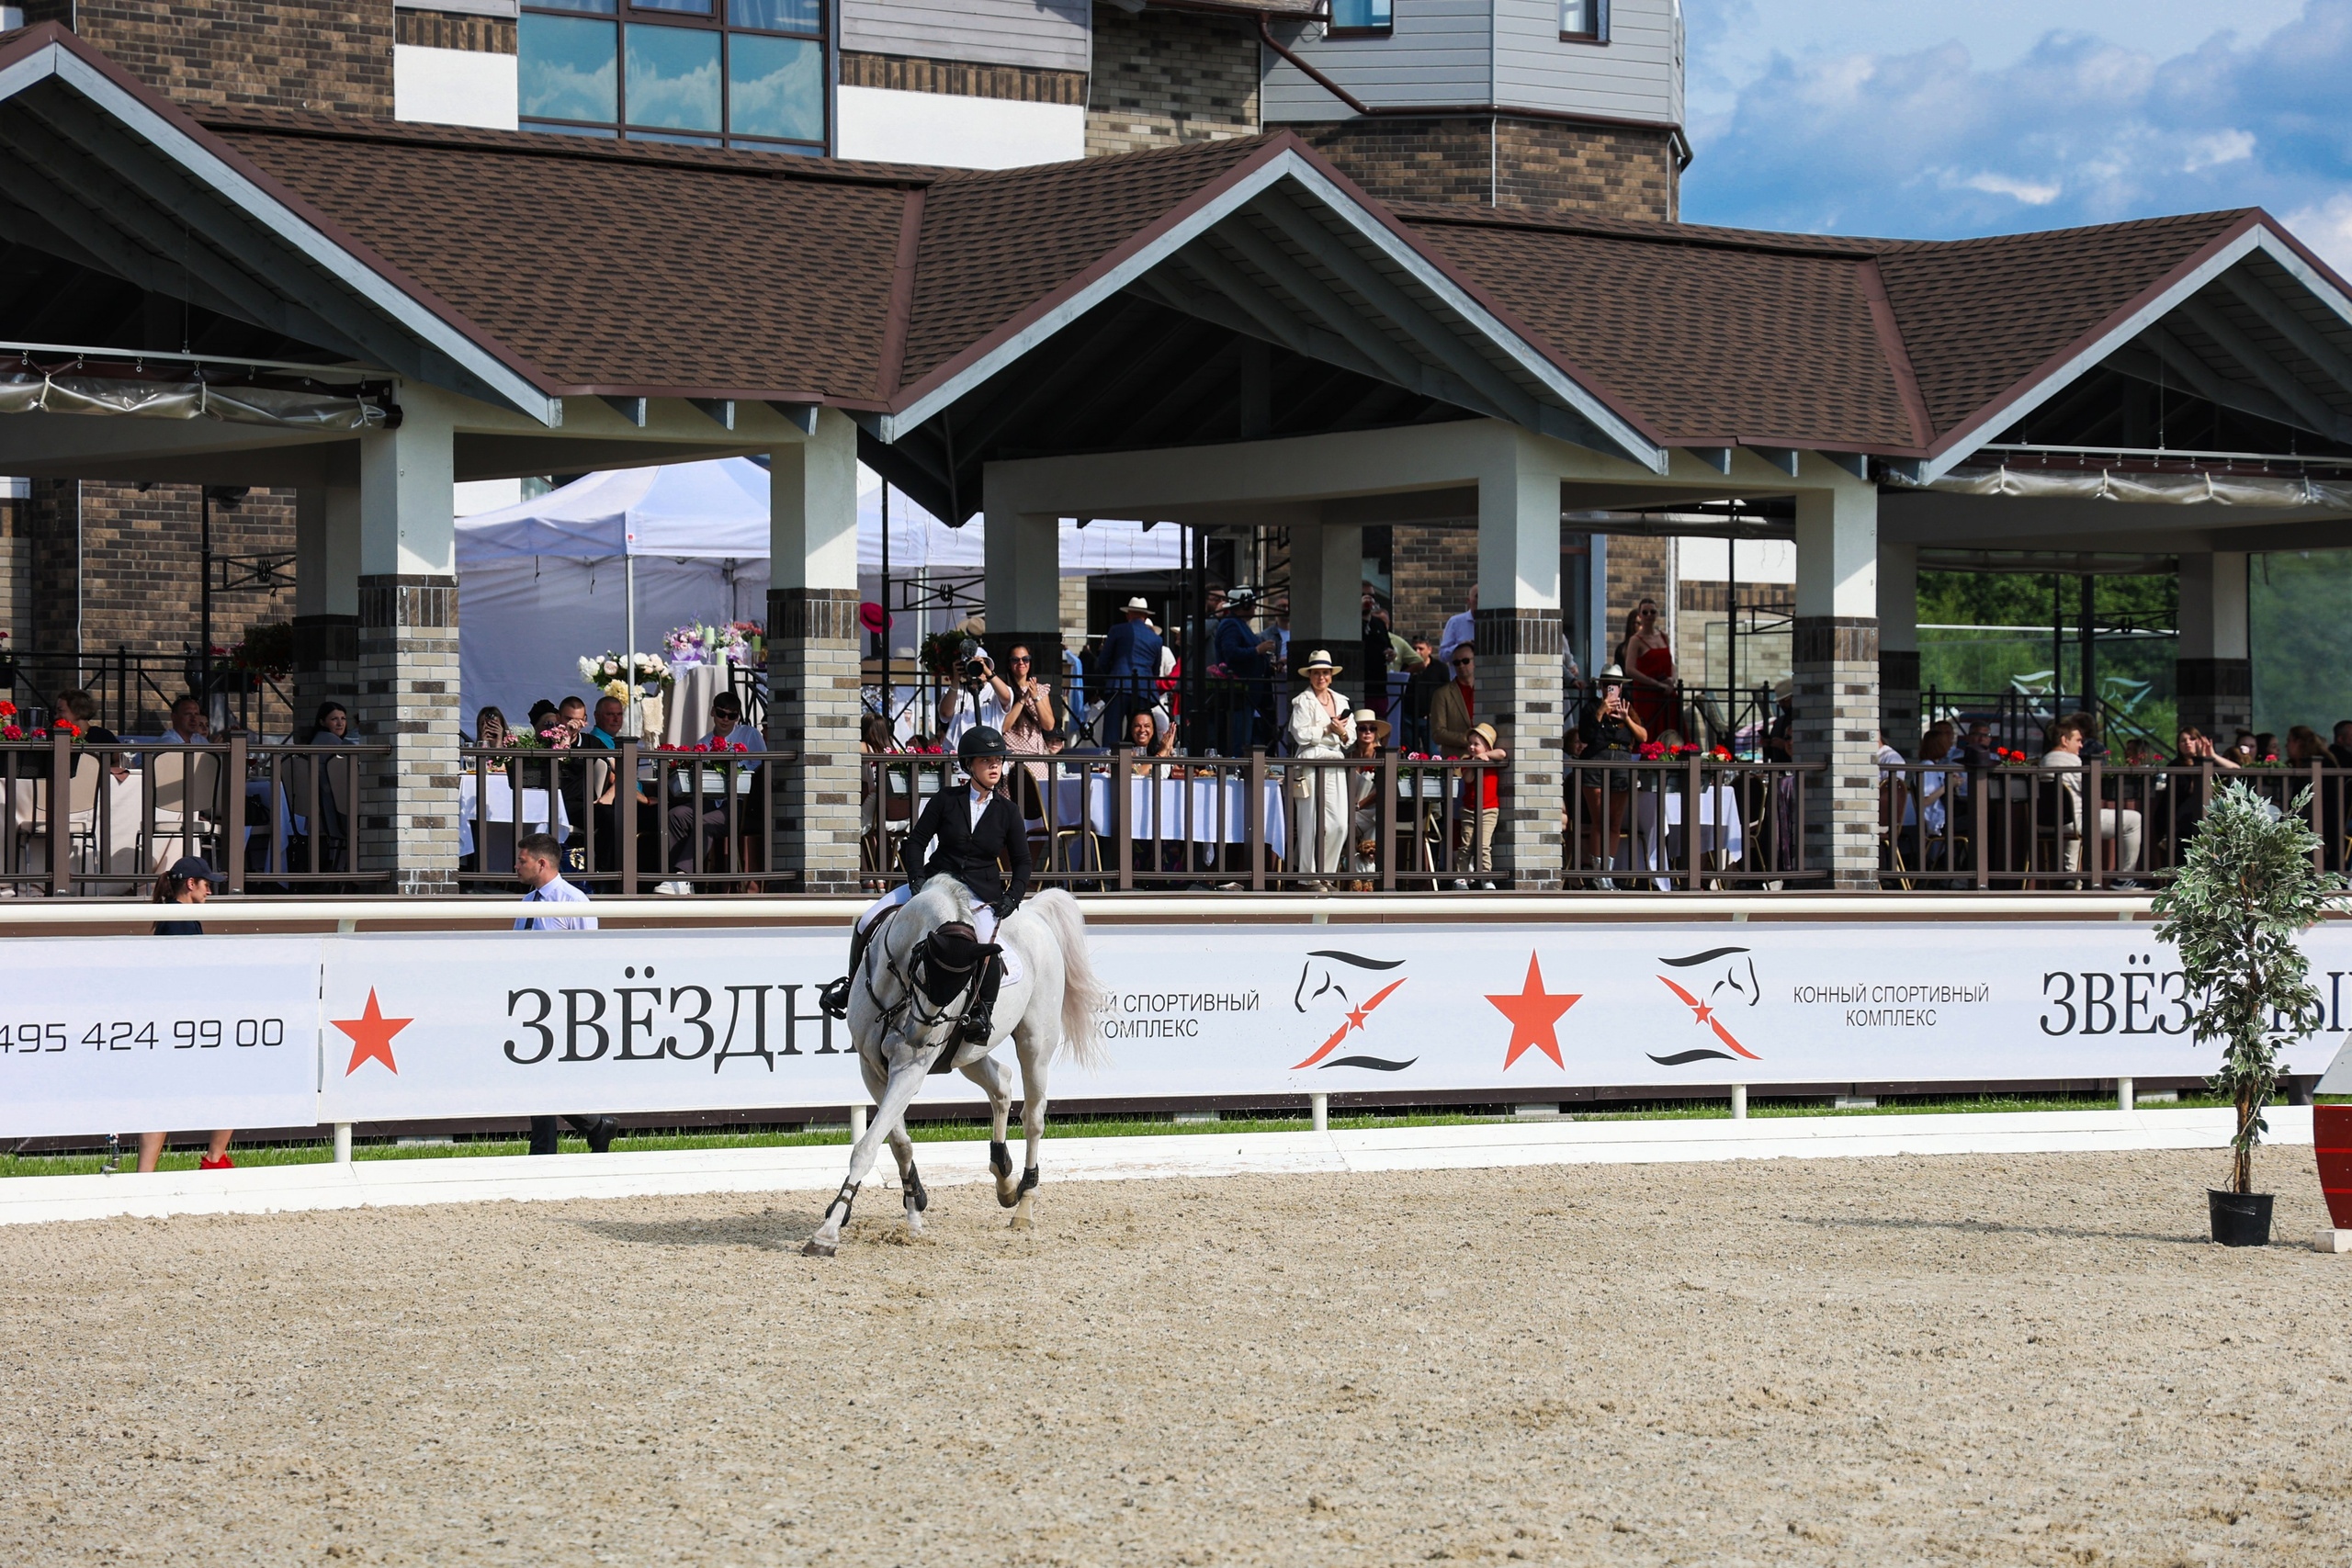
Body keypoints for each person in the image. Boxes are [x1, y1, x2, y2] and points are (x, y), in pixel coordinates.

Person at [820, 726, 1030, 1043]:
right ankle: (851, 985)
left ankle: (982, 1013)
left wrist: (1012, 898)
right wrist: (917, 879)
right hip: (935, 882)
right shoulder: (946, 799)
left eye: (998, 760)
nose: (995, 766)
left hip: (979, 895)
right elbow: (915, 842)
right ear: (969, 764)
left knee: (986, 946)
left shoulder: (1008, 812)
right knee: (866, 920)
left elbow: (1023, 862)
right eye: (986, 760)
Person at [511, 832, 616, 1155]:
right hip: (530, 1001)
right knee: (536, 1076)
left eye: (522, 860)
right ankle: (594, 1125)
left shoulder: (574, 901)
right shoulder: (528, 902)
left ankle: (550, 1146)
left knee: (542, 1076)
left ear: (541, 864)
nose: (516, 867)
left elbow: (590, 956)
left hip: (563, 1003)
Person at [140, 857, 234, 1172]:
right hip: (184, 1021)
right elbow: (183, 975)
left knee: (163, 1098)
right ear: (190, 884)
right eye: (207, 884)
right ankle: (214, 1161)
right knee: (236, 1083)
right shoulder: (178, 920)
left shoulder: (177, 915)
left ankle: (147, 1175)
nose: (211, 891)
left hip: (180, 1019)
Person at [663, 691, 763, 886]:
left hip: (741, 803)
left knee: (705, 822)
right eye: (721, 713)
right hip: (710, 800)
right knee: (676, 815)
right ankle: (673, 876)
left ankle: (683, 877)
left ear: (738, 717)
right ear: (712, 712)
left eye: (732, 715)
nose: (726, 719)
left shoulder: (750, 734)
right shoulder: (703, 743)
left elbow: (761, 768)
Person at [2042, 714, 2143, 886]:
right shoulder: (2072, 760)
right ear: (2065, 740)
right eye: (2078, 740)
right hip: (2074, 821)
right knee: (2134, 819)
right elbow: (2092, 790)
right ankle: (2125, 879)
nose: (2081, 745)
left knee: (2073, 816)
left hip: (2047, 822)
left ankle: (2071, 877)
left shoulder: (2044, 761)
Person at [1287, 649, 1355, 885]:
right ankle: (1308, 877)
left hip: (1335, 762)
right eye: (1316, 673)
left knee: (1339, 824)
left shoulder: (1342, 700)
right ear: (1310, 676)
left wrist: (1341, 732)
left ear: (1331, 675)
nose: (1321, 677)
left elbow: (1352, 737)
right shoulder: (1302, 701)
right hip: (1310, 762)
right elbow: (1300, 734)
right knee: (1310, 822)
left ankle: (1327, 874)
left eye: (1325, 672)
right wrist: (1327, 730)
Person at [1577, 664, 1647, 879]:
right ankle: (1598, 872)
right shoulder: (1591, 708)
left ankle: (1608, 872)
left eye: (1615, 685)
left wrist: (1626, 719)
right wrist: (1601, 710)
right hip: (1596, 764)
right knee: (1600, 820)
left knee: (1614, 822)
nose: (1611, 689)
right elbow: (1586, 736)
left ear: (1621, 688)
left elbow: (1643, 737)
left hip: (1621, 764)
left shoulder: (1628, 708)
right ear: (1600, 686)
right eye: (1607, 684)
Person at [1099, 598, 1163, 748]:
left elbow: (1103, 660)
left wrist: (1112, 676)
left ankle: (1109, 764)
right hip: (1143, 688)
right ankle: (1140, 762)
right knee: (1141, 731)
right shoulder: (1156, 638)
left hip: (1118, 685)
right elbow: (1156, 669)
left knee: (1112, 731)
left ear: (1128, 614)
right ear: (1146, 617)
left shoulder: (1117, 630)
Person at [1615, 599, 1678, 742]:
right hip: (1647, 694)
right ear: (1640, 615)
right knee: (1650, 732)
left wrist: (1672, 679)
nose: (1649, 615)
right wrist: (1656, 684)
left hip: (1667, 693)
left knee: (1671, 731)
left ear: (1657, 614)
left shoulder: (1664, 636)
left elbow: (1671, 663)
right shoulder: (1635, 640)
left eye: (1653, 611)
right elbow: (1630, 669)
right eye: (1645, 612)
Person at [1453, 722, 1507, 889]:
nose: (1471, 747)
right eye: (1470, 743)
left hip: (1489, 809)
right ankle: (1461, 877)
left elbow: (1502, 753)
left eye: (1476, 744)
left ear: (1487, 746)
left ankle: (1486, 877)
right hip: (1469, 809)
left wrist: (1487, 755)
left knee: (1484, 845)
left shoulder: (1492, 757)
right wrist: (1475, 760)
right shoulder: (1466, 761)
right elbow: (1468, 778)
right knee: (1466, 844)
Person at [938, 646, 1009, 750]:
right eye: (971, 664)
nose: (977, 669)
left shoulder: (994, 691)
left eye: (982, 664)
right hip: (957, 758)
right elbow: (945, 714)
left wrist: (987, 671)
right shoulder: (954, 691)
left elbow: (1006, 697)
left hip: (989, 756)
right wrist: (955, 680)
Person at [1430, 646, 1477, 756]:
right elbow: (1438, 733)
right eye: (1456, 663)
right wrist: (1469, 740)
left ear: (1475, 661)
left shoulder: (1486, 690)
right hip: (1457, 761)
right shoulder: (1442, 694)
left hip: (1486, 759)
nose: (1461, 666)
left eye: (1465, 661)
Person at [1438, 585, 1477, 665]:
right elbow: (1442, 656)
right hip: (1460, 676)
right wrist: (1460, 647)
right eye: (1477, 596)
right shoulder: (1455, 622)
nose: (1481, 600)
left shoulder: (1493, 624)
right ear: (1469, 601)